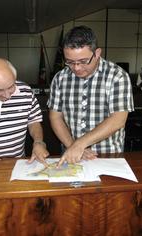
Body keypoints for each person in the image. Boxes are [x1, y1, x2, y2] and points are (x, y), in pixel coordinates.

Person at [47, 26, 134, 168]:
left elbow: (118, 119)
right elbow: (55, 117)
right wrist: (73, 146)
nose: (76, 68)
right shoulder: (60, 78)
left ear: (97, 53)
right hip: (70, 150)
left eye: (83, 61)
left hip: (108, 153)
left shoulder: (117, 76)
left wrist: (81, 143)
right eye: (69, 61)